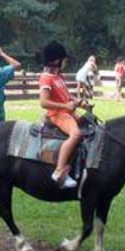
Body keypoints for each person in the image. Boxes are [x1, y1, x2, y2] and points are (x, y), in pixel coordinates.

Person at [39, 41, 83, 189]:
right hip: (57, 114)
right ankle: (59, 171)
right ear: (56, 60)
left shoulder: (58, 76)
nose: (66, 62)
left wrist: (78, 102)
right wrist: (65, 106)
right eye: (64, 60)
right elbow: (44, 102)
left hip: (68, 112)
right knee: (76, 134)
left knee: (89, 123)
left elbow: (66, 95)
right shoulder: (46, 78)